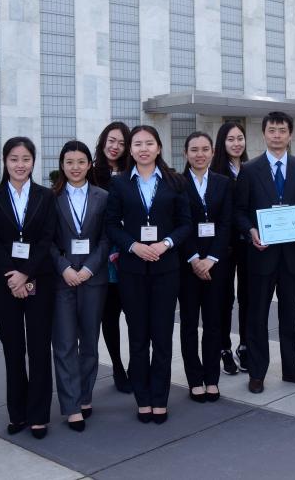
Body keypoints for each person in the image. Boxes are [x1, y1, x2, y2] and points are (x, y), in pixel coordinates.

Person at [105, 125, 192, 424]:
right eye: (138, 144)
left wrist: (165, 243)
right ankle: (142, 399)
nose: (143, 149)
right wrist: (133, 246)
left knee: (162, 337)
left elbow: (185, 224)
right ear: (130, 150)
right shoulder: (119, 184)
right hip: (132, 270)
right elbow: (111, 224)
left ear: (159, 148)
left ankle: (159, 398)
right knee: (138, 337)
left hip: (166, 270)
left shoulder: (175, 181)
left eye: (149, 143)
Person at [234, 111, 295, 394]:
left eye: (282, 130)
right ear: (264, 134)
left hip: (292, 256)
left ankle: (292, 369)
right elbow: (239, 211)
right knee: (257, 316)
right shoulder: (249, 170)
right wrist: (251, 232)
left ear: (290, 135)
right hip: (261, 255)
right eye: (272, 130)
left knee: (290, 317)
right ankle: (257, 373)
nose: (277, 135)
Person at [0, 137, 57, 439]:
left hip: (39, 279)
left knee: (39, 349)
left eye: (26, 159)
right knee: (13, 350)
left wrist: (25, 274)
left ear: (33, 162)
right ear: (5, 161)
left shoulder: (46, 196)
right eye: (14, 159)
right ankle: (18, 413)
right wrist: (12, 276)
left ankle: (39, 415)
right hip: (5, 283)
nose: (20, 165)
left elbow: (47, 238)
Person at [50, 140, 110, 433]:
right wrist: (64, 268)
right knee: (64, 344)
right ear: (62, 165)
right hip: (62, 280)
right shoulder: (51, 198)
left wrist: (88, 269)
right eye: (69, 162)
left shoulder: (103, 197)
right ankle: (71, 406)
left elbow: (107, 239)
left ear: (89, 165)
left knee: (89, 342)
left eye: (81, 162)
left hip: (93, 279)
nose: (75, 167)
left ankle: (84, 395)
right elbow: (46, 241)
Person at [178, 131, 233, 403]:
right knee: (189, 323)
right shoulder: (177, 183)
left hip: (216, 265)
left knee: (214, 323)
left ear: (212, 152)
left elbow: (226, 223)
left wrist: (211, 258)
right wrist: (194, 258)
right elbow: (178, 223)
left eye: (204, 149)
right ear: (185, 153)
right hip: (187, 264)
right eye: (194, 149)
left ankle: (212, 378)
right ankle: (194, 379)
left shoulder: (224, 183)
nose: (199, 154)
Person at [90, 121, 132, 394]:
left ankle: (136, 365)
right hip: (103, 257)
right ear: (103, 141)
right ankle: (117, 366)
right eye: (111, 141)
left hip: (131, 253)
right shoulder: (92, 173)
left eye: (121, 143)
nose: (115, 147)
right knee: (109, 315)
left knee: (135, 315)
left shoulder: (133, 173)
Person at [209, 121, 249, 376]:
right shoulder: (215, 172)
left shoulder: (251, 169)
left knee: (247, 297)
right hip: (223, 246)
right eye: (231, 139)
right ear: (222, 143)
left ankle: (245, 345)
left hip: (248, 244)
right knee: (224, 298)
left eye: (240, 138)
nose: (236, 143)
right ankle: (223, 347)